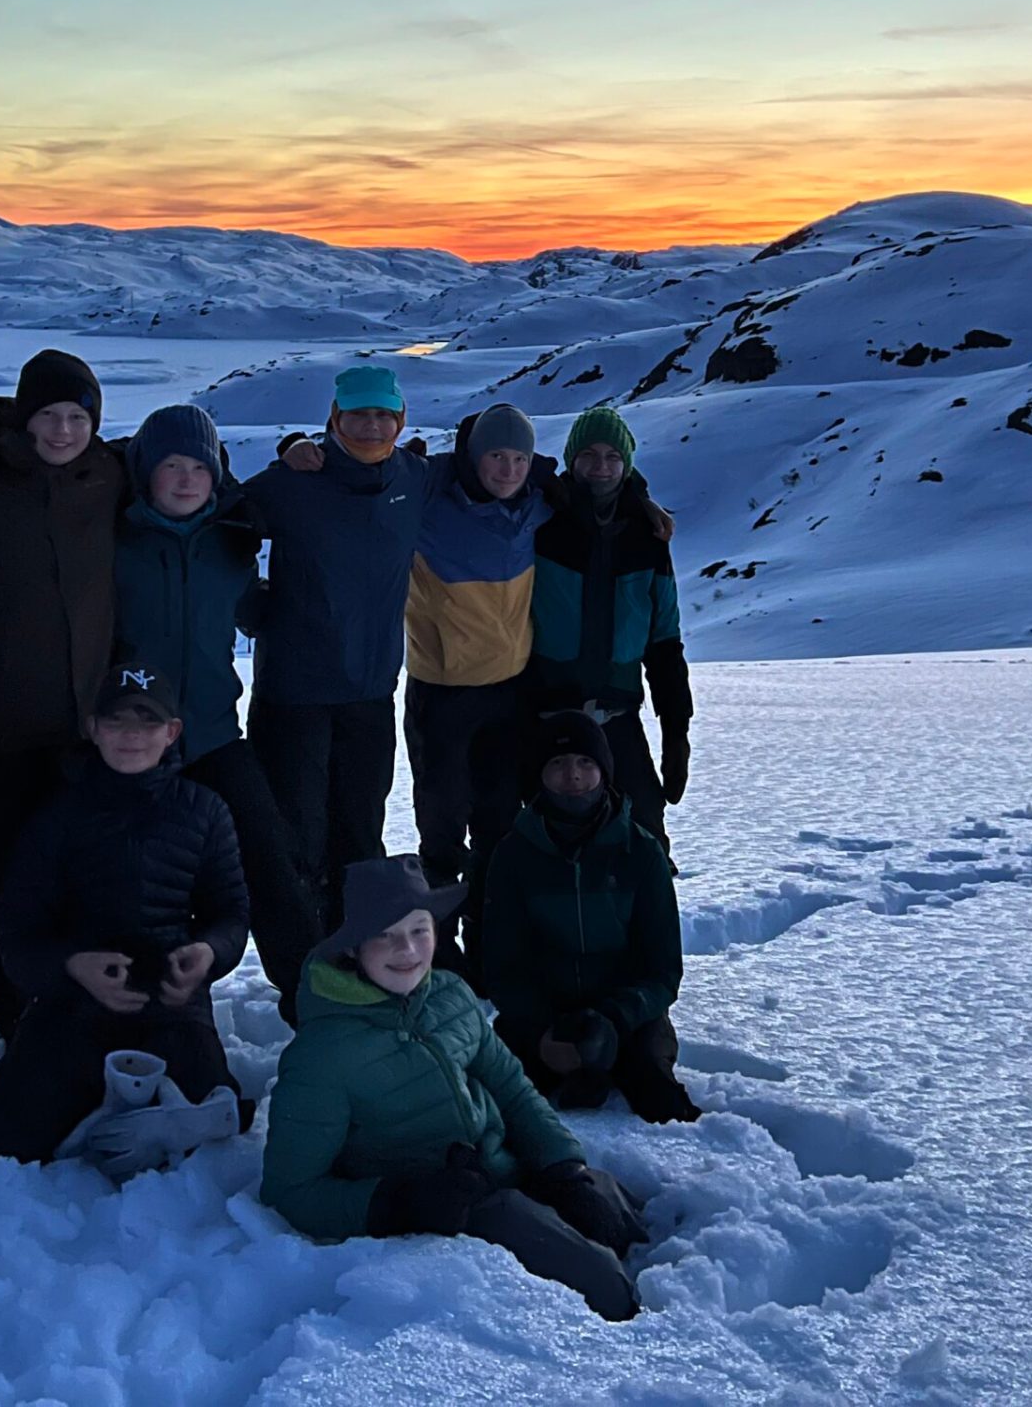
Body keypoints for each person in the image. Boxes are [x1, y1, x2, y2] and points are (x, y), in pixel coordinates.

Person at [259, 854, 646, 1321]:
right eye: (384, 934)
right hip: (449, 1209)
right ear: (352, 949)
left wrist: (562, 1167)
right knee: (609, 1289)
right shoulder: (321, 1056)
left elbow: (511, 1088)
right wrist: (397, 1203)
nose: (407, 949)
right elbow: (291, 1189)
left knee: (623, 1223)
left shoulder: (450, 996)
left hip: (507, 1166)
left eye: (419, 929)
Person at [0, 669, 249, 1163]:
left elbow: (231, 913)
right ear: (93, 728)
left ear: (171, 732)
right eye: (117, 721)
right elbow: (18, 938)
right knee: (0, 1140)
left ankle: (126, 1113)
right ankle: (108, 1113)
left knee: (214, 1105)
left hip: (172, 1008)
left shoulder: (205, 811)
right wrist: (72, 967)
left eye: (147, 722)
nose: (131, 735)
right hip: (73, 1007)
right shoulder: (56, 817)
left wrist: (207, 954)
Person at [0, 349, 125, 1040]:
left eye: (76, 416)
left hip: (80, 726)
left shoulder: (108, 475)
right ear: (24, 416)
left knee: (70, 875)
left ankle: (63, 998)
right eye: (47, 415)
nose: (61, 430)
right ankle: (6, 998)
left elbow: (188, 469)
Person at [113, 404, 320, 1008]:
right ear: (145, 473)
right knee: (141, 883)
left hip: (211, 733)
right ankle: (135, 1003)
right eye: (170, 466)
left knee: (269, 862)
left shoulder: (232, 540)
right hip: (131, 744)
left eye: (198, 467)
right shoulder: (113, 539)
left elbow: (256, 604)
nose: (184, 479)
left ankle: (315, 1000)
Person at [241, 365, 429, 922]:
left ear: (399, 420)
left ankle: (361, 950)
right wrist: (250, 605)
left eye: (382, 415)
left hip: (370, 691)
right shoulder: (292, 483)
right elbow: (216, 523)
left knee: (360, 828)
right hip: (293, 693)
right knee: (297, 834)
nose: (371, 426)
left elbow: (504, 476)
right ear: (335, 418)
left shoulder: (414, 478)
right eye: (357, 414)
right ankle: (305, 963)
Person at [480, 712, 698, 1123]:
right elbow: (502, 964)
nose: (573, 776)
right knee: (500, 1105)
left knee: (661, 1102)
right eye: (558, 764)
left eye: (585, 763)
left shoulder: (641, 851)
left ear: (604, 771)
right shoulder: (514, 854)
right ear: (539, 774)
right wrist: (544, 1030)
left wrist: (613, 1019)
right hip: (541, 1017)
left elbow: (663, 970)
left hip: (627, 1016)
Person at [396, 404, 549, 968]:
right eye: (495, 456)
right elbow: (363, 470)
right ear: (471, 455)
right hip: (442, 694)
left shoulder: (538, 496)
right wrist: (297, 447)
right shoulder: (431, 492)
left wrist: (642, 499)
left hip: (510, 693)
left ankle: (491, 941)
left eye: (518, 458)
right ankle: (438, 952)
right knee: (441, 831)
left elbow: (601, 483)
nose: (507, 470)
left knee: (500, 827)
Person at [527, 406, 693, 852]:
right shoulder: (540, 519)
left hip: (618, 716)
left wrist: (676, 727)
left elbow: (663, 640)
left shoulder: (647, 535)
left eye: (613, 457)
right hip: (543, 716)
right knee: (536, 845)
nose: (601, 467)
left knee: (647, 840)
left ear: (628, 464)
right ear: (570, 459)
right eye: (588, 454)